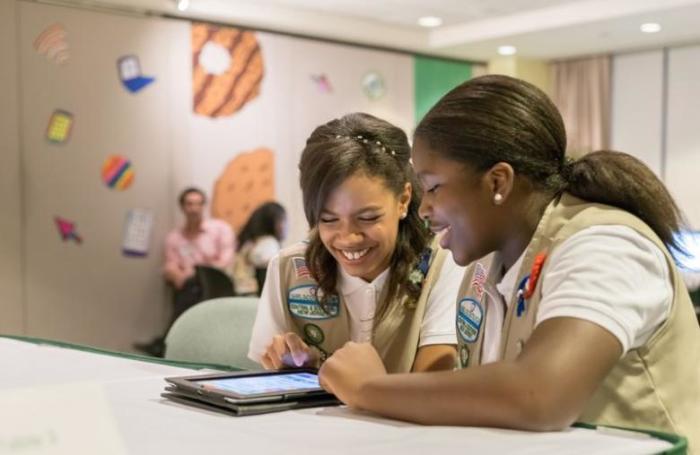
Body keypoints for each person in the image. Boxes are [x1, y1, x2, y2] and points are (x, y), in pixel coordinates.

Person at [318, 75, 700, 450]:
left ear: (498, 182)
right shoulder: (487, 267)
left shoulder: (604, 245)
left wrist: (368, 388)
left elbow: (541, 394)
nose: (423, 209)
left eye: (433, 188)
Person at [247, 113, 464, 374]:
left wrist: (348, 382)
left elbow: (432, 386)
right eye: (328, 219)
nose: (348, 237)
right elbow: (267, 377)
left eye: (368, 218)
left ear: (403, 200)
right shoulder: (290, 268)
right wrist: (289, 362)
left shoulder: (442, 264)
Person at [135, 187, 235, 357]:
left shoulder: (220, 230)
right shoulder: (174, 238)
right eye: (189, 204)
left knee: (193, 283)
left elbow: (224, 262)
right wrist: (180, 275)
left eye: (198, 204)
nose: (194, 208)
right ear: (182, 207)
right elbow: (171, 266)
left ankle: (165, 341)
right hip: (188, 286)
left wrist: (195, 272)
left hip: (216, 283)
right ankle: (172, 342)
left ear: (204, 206)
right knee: (190, 286)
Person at [232, 201, 288, 296]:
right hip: (255, 297)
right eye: (284, 220)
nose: (286, 226)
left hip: (239, 294)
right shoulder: (268, 243)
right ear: (275, 223)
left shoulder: (249, 242)